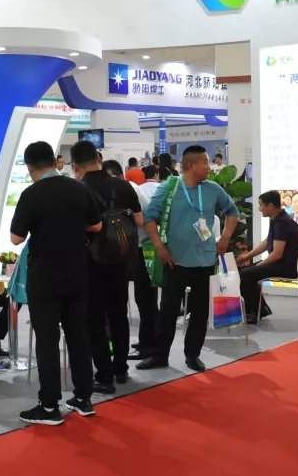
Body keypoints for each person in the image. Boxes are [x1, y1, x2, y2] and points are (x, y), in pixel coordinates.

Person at [10, 141, 100, 425]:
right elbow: (97, 225)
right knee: (78, 336)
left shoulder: (32, 194)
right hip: (78, 273)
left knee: (48, 341)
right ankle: (83, 398)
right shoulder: (79, 188)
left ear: (30, 167)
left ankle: (49, 406)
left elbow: (16, 237)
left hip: (45, 277)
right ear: (54, 160)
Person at [138, 145, 239, 373]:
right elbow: (149, 217)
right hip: (176, 260)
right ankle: (159, 355)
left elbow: (232, 212)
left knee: (200, 312)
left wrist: (224, 238)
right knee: (168, 310)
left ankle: (192, 355)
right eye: (205, 162)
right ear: (191, 165)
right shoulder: (170, 188)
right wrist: (159, 246)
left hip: (205, 260)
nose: (209, 167)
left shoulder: (212, 189)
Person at [70, 140, 142, 394]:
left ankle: (104, 375)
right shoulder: (123, 185)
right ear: (98, 158)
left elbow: (77, 226)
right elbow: (140, 219)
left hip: (91, 260)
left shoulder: (78, 189)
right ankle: (121, 368)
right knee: (118, 313)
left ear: (75, 166)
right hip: (121, 259)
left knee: (95, 319)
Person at [236, 191, 298, 324]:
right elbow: (267, 242)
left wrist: (258, 265)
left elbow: (277, 254)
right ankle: (260, 309)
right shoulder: (277, 220)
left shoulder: (282, 223)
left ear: (270, 206)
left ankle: (255, 312)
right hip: (280, 263)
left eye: (261, 205)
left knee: (247, 274)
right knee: (246, 271)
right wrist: (247, 256)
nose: (259, 209)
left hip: (286, 267)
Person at [129, 165, 162, 359]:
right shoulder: (136, 189)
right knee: (144, 299)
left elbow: (144, 219)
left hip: (145, 249)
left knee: (146, 299)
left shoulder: (133, 190)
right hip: (143, 249)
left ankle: (150, 346)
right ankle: (148, 341)